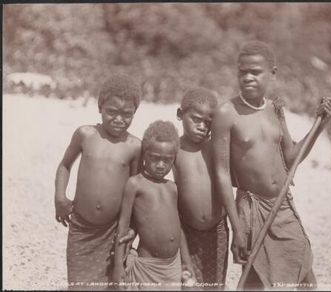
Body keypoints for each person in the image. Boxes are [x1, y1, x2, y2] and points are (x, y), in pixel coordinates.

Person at [211, 40, 331, 290]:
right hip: (251, 209)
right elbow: (221, 173)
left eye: (255, 72)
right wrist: (237, 227)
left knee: (305, 273)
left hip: (282, 205)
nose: (247, 77)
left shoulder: (275, 110)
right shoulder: (227, 113)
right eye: (242, 71)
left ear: (272, 74)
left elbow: (291, 160)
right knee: (254, 276)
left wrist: (319, 126)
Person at [54, 74, 142, 290]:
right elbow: (65, 165)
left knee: (111, 284)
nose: (119, 119)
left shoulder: (134, 146)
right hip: (81, 228)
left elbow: (136, 190)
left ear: (134, 113)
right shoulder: (85, 135)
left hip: (113, 230)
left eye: (127, 114)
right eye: (112, 112)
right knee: (79, 284)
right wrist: (60, 197)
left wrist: (133, 228)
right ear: (100, 107)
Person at [112, 120, 193, 291]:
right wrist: (118, 266)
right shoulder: (135, 184)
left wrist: (186, 262)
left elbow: (179, 228)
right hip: (148, 266)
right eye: (155, 158)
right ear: (144, 155)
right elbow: (123, 226)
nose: (161, 165)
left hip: (173, 265)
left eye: (167, 160)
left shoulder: (172, 187)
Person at [173, 88, 229, 290]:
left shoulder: (215, 148)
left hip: (218, 231)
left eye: (208, 123)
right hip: (186, 232)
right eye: (196, 119)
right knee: (188, 284)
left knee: (215, 283)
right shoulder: (173, 151)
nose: (202, 127)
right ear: (180, 115)